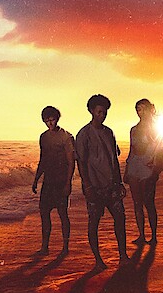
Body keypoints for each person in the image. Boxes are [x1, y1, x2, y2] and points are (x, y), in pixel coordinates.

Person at [75, 94, 128, 269]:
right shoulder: (83, 134)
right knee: (94, 222)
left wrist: (119, 182)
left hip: (111, 184)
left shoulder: (109, 132)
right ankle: (98, 260)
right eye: (99, 112)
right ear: (91, 111)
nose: (102, 115)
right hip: (94, 186)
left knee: (120, 219)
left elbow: (114, 158)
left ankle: (123, 255)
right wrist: (87, 185)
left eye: (104, 112)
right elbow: (81, 162)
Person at [32, 105, 75, 255]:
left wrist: (68, 183)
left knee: (63, 214)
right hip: (48, 181)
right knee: (44, 213)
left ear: (57, 119)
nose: (50, 123)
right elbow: (43, 159)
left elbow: (71, 162)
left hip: (61, 180)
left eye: (52, 120)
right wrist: (36, 179)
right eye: (47, 121)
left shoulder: (66, 136)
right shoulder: (43, 137)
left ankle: (65, 247)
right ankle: (45, 247)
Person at [125, 97, 163, 255]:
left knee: (149, 202)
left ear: (150, 109)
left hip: (148, 167)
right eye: (137, 109)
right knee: (137, 203)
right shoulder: (134, 129)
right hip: (135, 165)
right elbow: (131, 149)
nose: (139, 112)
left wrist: (155, 167)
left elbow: (160, 148)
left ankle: (154, 235)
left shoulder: (155, 128)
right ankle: (142, 234)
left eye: (142, 108)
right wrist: (127, 169)